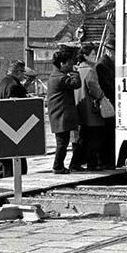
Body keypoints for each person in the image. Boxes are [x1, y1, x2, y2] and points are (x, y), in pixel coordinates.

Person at [0, 60, 32, 179]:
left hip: (2, 127)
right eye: (23, 72)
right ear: (19, 72)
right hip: (13, 128)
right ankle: (11, 186)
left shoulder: (4, 82)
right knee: (15, 163)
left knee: (4, 160)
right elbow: (16, 107)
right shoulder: (14, 86)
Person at [46, 46, 81, 174]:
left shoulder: (56, 75)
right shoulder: (60, 77)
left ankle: (59, 166)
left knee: (63, 142)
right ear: (62, 63)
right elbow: (76, 84)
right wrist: (75, 73)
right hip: (61, 115)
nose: (71, 65)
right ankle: (58, 166)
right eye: (69, 63)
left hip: (59, 115)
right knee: (62, 143)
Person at [72, 43, 108, 171]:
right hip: (91, 109)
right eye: (92, 54)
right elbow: (94, 89)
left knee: (83, 137)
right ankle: (92, 163)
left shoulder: (77, 70)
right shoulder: (90, 71)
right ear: (85, 56)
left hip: (80, 107)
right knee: (94, 137)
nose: (95, 56)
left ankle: (75, 163)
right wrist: (103, 96)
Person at [95, 40, 117, 169]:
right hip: (108, 103)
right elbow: (107, 87)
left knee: (110, 133)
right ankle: (105, 161)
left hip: (112, 102)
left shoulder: (109, 64)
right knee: (107, 133)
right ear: (109, 51)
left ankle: (109, 161)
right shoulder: (102, 65)